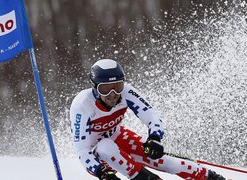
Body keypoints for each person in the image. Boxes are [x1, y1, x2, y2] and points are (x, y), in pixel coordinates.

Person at [70, 59, 226, 180]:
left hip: (118, 137)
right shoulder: (82, 105)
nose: (112, 93)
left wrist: (154, 137)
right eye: (105, 88)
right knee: (105, 146)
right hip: (96, 155)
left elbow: (151, 115)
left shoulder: (126, 93)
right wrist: (100, 171)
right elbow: (82, 150)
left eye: (117, 86)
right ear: (95, 88)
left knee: (167, 162)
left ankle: (210, 177)